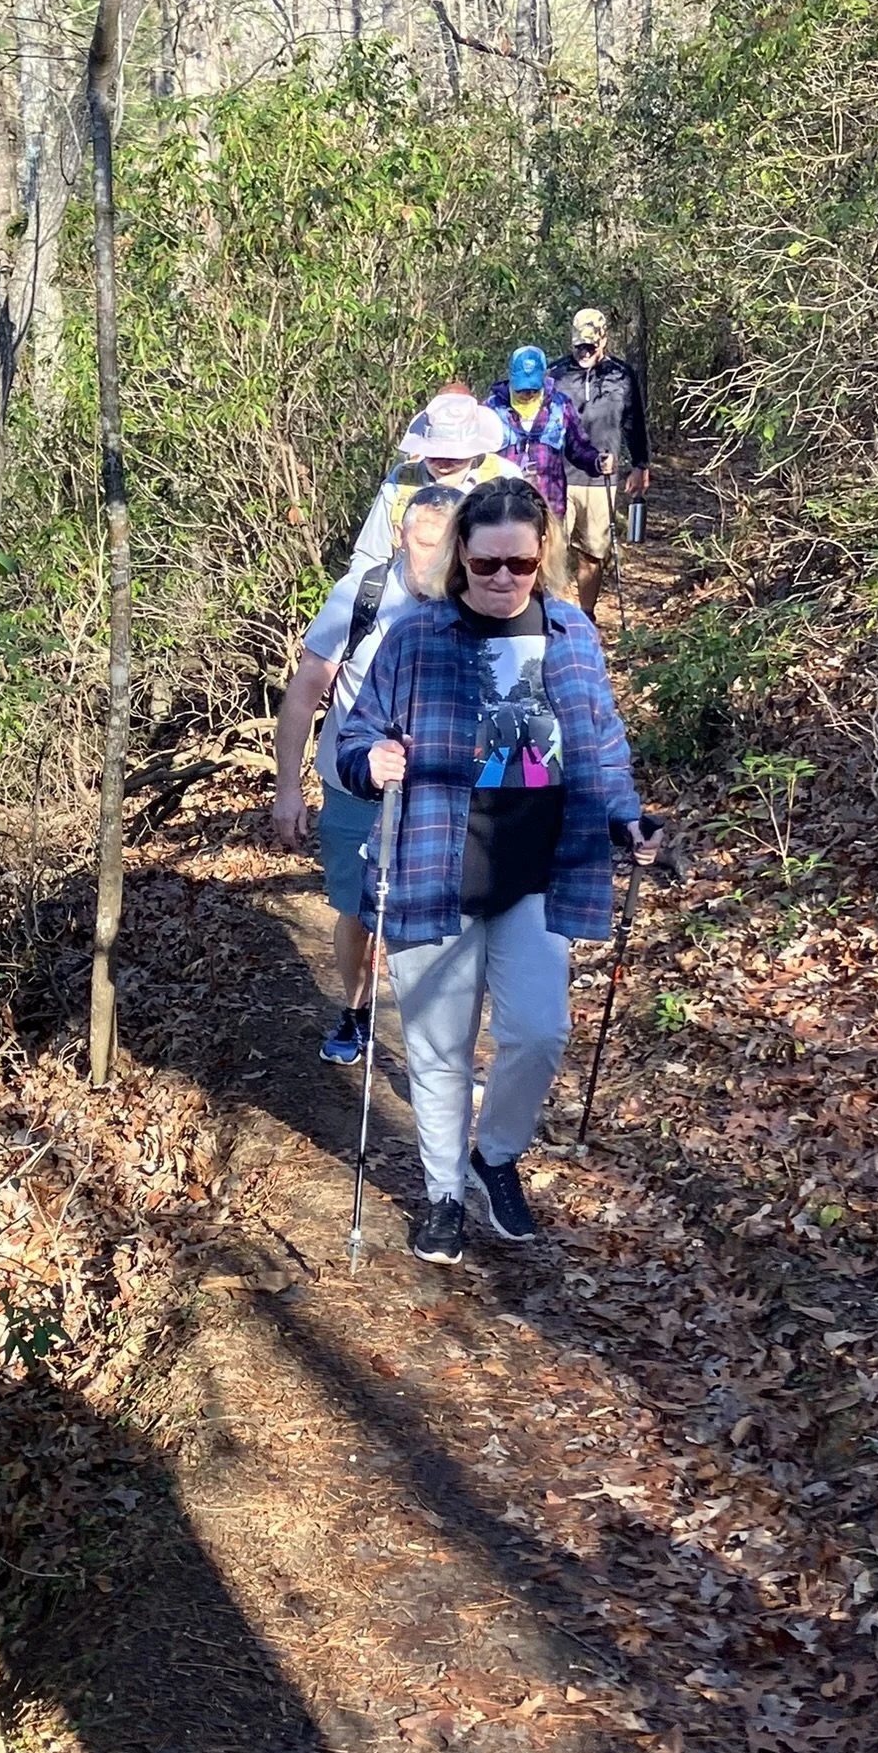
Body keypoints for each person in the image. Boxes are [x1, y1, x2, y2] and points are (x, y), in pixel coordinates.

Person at [336, 477, 661, 1266]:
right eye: (487, 565)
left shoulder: (573, 633)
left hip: (541, 866)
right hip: (433, 861)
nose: (504, 579)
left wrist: (629, 818)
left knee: (539, 1031)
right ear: (460, 561)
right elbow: (354, 738)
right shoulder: (415, 637)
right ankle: (444, 1194)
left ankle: (496, 1153)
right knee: (441, 1050)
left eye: (519, 563)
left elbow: (603, 745)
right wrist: (368, 761)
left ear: (542, 554)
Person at [274, 484, 464, 1064]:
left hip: (440, 788)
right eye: (421, 541)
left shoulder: (475, 598)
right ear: (400, 534)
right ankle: (355, 1013)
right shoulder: (361, 594)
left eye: (443, 543)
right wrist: (288, 788)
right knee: (357, 908)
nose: (430, 556)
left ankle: (436, 1045)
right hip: (353, 780)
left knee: (438, 915)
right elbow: (306, 691)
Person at [548, 307, 651, 619]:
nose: (585, 351)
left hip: (601, 479)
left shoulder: (622, 375)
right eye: (579, 344)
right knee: (551, 551)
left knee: (593, 551)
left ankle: (586, 616)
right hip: (557, 478)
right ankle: (551, 615)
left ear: (604, 340)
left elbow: (635, 421)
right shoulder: (554, 375)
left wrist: (640, 463)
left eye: (591, 345)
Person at [353, 387, 508, 568]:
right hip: (408, 592)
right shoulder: (402, 481)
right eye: (434, 455)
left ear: (474, 451)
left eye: (454, 458)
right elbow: (370, 556)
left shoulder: (502, 479)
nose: (443, 464)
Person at [485, 346, 612, 522]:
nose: (527, 394)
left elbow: (578, 448)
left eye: (533, 388)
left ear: (545, 377)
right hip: (501, 510)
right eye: (521, 388)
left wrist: (597, 462)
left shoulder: (560, 407)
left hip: (549, 508)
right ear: (511, 377)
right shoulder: (491, 409)